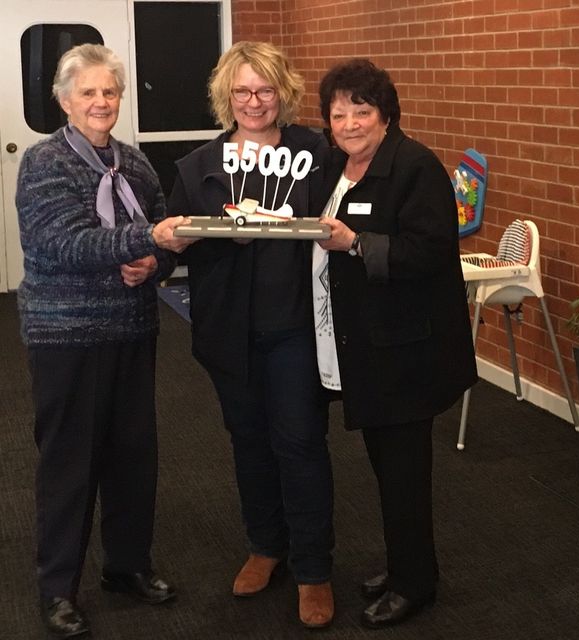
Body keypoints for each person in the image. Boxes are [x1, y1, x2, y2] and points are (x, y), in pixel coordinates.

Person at [15, 43, 194, 638]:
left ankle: (128, 567)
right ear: (64, 100)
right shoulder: (44, 164)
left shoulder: (137, 166)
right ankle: (57, 588)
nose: (100, 102)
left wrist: (156, 264)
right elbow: (60, 244)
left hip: (132, 330)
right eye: (87, 92)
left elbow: (162, 244)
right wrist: (144, 239)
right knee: (69, 465)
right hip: (65, 337)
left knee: (132, 459)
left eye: (109, 92)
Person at [167, 41, 334, 629]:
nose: (255, 101)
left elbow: (344, 218)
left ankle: (313, 570)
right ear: (226, 97)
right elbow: (174, 243)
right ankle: (266, 546)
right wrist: (163, 247)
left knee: (300, 442)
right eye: (243, 91)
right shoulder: (197, 167)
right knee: (249, 442)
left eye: (265, 89)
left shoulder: (317, 153)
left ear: (282, 92)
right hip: (228, 333)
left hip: (297, 330)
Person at [314, 58, 478, 628]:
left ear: (386, 114)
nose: (350, 122)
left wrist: (357, 243)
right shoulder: (339, 166)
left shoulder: (414, 166)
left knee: (405, 472)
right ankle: (405, 564)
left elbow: (430, 252)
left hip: (408, 349)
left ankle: (415, 585)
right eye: (339, 113)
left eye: (362, 110)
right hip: (370, 346)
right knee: (387, 468)